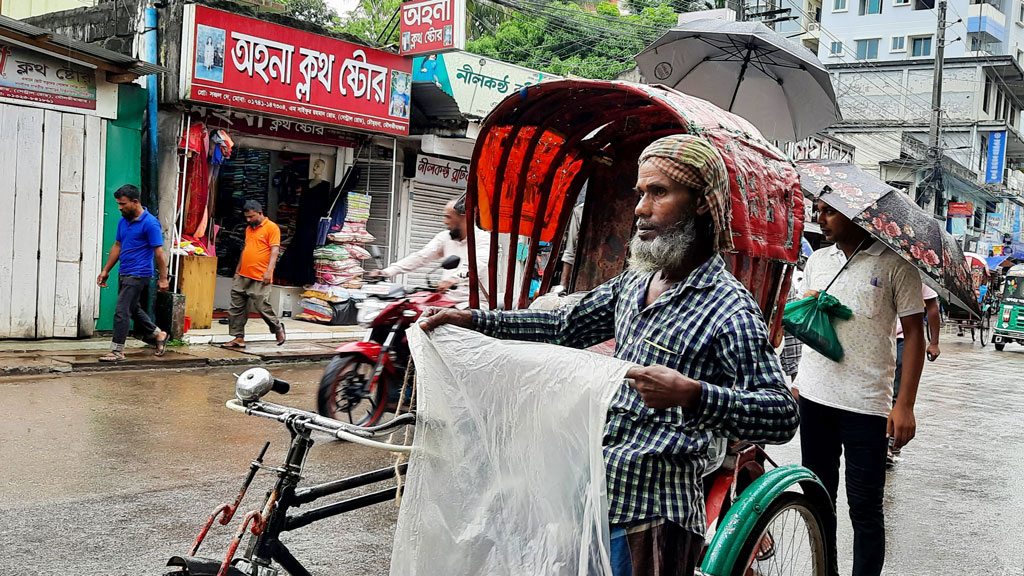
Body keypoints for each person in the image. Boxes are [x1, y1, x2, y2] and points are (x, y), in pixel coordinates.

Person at [420, 134, 799, 576]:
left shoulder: (727, 307)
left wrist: (693, 394)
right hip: (592, 492)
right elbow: (564, 326)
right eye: (640, 193)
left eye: (658, 193)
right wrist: (476, 321)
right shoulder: (635, 283)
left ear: (700, 203)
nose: (640, 208)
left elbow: (781, 415)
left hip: (654, 511)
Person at [793, 198, 926, 576]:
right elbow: (808, 323)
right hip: (815, 398)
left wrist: (905, 405)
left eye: (829, 211)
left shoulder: (897, 264)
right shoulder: (818, 260)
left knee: (865, 507)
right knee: (818, 498)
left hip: (867, 405)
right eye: (817, 210)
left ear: (856, 215)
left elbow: (915, 335)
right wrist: (800, 380)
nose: (820, 218)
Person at [368, 196, 489, 305]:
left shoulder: (483, 239)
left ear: (464, 217)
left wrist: (453, 279)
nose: (445, 222)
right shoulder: (445, 237)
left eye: (448, 217)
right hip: (447, 299)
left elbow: (478, 265)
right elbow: (421, 257)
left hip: (472, 304)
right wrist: (387, 272)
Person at [96, 185, 169, 362]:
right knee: (132, 309)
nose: (120, 208)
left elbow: (159, 252)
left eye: (123, 204)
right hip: (124, 271)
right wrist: (106, 270)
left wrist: (163, 278)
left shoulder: (150, 223)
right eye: (118, 204)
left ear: (135, 202)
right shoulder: (124, 220)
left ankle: (117, 350)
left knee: (122, 311)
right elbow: (117, 246)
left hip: (139, 273)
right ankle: (158, 334)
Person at [222, 201, 286, 349]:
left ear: (259, 212)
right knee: (236, 307)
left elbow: (275, 250)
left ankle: (277, 327)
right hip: (244, 274)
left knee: (260, 303)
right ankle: (238, 338)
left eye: (251, 216)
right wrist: (237, 270)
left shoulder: (272, 228)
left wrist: (269, 271)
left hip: (261, 274)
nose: (248, 220)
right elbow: (245, 250)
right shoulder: (249, 229)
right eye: (246, 217)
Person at [889, 284, 940, 464]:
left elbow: (932, 307)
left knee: (896, 392)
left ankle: (889, 443)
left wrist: (934, 342)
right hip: (876, 340)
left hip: (903, 340)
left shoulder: (915, 276)